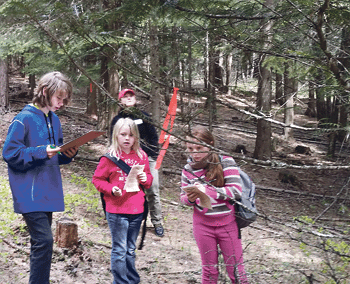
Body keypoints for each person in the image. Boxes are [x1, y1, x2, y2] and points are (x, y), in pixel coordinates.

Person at [2, 71, 78, 284]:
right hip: (29, 192)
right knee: (44, 241)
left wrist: (67, 155)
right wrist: (40, 151)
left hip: (48, 191)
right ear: (45, 91)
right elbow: (10, 154)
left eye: (65, 100)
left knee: (43, 243)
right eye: (59, 98)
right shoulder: (23, 119)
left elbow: (54, 155)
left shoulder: (54, 120)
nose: (62, 103)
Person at [180, 125, 249, 284]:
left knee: (236, 271)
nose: (195, 153)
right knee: (209, 271)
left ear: (210, 144)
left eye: (199, 147)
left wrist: (209, 191)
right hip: (202, 226)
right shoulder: (187, 169)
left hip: (227, 224)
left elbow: (236, 191)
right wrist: (190, 198)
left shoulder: (226, 161)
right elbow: (182, 198)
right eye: (190, 148)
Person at [92, 117, 153, 284]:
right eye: (123, 134)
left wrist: (144, 177)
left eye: (131, 135)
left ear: (136, 137)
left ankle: (132, 279)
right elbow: (97, 180)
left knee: (130, 249)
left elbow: (148, 181)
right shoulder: (109, 158)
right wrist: (111, 189)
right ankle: (120, 281)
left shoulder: (142, 156)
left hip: (136, 209)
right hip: (117, 210)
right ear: (116, 136)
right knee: (119, 250)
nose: (127, 138)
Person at [109, 88, 164, 237]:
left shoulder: (144, 116)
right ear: (120, 100)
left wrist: (151, 156)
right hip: (125, 161)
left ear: (135, 99)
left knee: (152, 189)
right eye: (125, 97)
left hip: (148, 159)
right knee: (128, 189)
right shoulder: (117, 120)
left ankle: (157, 222)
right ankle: (128, 220)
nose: (128, 99)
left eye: (131, 96)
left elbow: (153, 138)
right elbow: (113, 141)